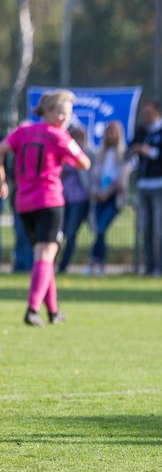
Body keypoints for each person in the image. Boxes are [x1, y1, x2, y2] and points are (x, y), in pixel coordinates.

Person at [0, 89, 92, 325]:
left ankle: (52, 310)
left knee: (44, 257)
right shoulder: (58, 136)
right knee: (46, 255)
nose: (64, 119)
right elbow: (84, 162)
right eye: (61, 113)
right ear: (49, 111)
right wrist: (68, 148)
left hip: (24, 203)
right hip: (49, 201)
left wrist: (2, 179)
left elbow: (1, 150)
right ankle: (32, 309)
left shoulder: (23, 131)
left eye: (68, 114)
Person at [129, 100, 162, 276]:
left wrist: (150, 152)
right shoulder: (142, 131)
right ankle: (149, 266)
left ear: (157, 113)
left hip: (161, 185)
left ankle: (160, 267)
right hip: (144, 185)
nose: (145, 117)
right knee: (146, 228)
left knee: (159, 229)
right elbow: (131, 148)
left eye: (149, 114)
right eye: (144, 114)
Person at [88, 120, 133, 276]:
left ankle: (96, 261)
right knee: (97, 230)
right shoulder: (100, 155)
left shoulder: (124, 155)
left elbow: (122, 178)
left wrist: (108, 191)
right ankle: (97, 263)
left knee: (101, 229)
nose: (111, 135)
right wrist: (96, 191)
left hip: (113, 198)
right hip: (99, 196)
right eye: (109, 132)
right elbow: (94, 177)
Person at [58, 125, 92, 274]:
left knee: (71, 233)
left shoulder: (88, 154)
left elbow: (89, 173)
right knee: (59, 233)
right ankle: (50, 263)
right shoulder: (63, 155)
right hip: (63, 198)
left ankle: (63, 266)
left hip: (79, 199)